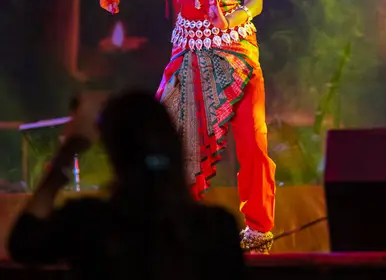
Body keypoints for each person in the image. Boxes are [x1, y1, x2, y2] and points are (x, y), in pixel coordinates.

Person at [99, 0, 276, 253]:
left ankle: (258, 229)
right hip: (188, 53)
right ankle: (164, 222)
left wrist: (229, 15)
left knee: (251, 140)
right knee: (167, 138)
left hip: (235, 51)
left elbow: (256, 0)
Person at [8, 91, 245, 279]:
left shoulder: (90, 223)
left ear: (113, 152)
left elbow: (23, 243)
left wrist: (70, 148)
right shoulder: (217, 228)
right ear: (172, 141)